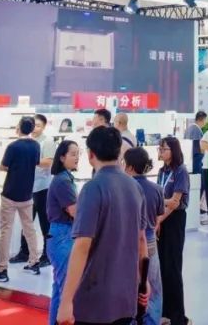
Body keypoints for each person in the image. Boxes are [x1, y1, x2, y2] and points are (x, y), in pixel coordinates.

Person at [55, 125, 148, 325]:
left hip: (94, 301)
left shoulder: (92, 188)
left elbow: (82, 245)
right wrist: (144, 280)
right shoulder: (135, 187)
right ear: (119, 152)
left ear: (91, 155)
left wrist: (66, 300)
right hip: (126, 296)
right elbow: (141, 239)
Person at [0, 116, 41, 282]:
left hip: (10, 193)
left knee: (6, 230)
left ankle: (2, 268)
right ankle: (34, 262)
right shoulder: (36, 146)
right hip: (27, 194)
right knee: (29, 229)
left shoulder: (13, 146)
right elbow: (35, 163)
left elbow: (3, 166)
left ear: (19, 127)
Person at [125, 147, 163, 325]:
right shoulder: (156, 189)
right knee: (153, 286)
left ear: (130, 167)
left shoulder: (125, 189)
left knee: (131, 284)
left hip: (130, 241)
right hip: (150, 239)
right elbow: (157, 217)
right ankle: (152, 321)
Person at [12, 114, 55, 268]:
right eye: (33, 125)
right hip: (28, 186)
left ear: (44, 126)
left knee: (45, 223)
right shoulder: (28, 141)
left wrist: (30, 161)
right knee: (26, 221)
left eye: (38, 125)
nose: (35, 128)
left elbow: (49, 162)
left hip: (43, 187)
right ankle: (24, 252)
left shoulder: (47, 141)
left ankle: (47, 255)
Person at [156, 137, 189, 325]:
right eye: (160, 149)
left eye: (164, 149)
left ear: (173, 150)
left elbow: (175, 202)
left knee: (173, 267)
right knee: (162, 267)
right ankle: (165, 311)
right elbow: (160, 199)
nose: (161, 152)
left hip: (174, 220)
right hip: (162, 219)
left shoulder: (180, 171)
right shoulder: (162, 171)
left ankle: (178, 316)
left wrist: (159, 219)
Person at [47, 140, 79, 325]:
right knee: (65, 290)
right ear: (62, 157)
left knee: (60, 290)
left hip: (62, 235)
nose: (77, 157)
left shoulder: (65, 179)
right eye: (73, 154)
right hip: (63, 236)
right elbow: (74, 211)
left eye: (78, 154)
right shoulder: (63, 181)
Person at [187, 111, 206, 175]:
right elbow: (201, 146)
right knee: (197, 178)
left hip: (190, 159)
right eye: (205, 120)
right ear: (203, 119)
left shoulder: (189, 128)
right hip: (197, 159)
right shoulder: (196, 129)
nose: (205, 123)